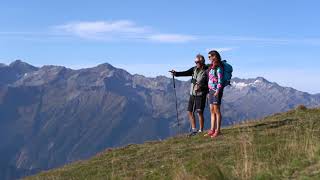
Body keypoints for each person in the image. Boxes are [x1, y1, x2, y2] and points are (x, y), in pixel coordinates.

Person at [170, 54, 208, 136]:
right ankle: (194, 129)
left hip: (201, 94)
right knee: (190, 111)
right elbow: (186, 72)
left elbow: (208, 84)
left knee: (199, 112)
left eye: (197, 62)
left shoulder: (206, 70)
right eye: (195, 62)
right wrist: (176, 73)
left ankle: (201, 130)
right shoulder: (194, 69)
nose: (196, 63)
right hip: (193, 94)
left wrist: (201, 87)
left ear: (202, 61)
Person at [206, 50, 224, 138]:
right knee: (212, 110)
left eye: (209, 57)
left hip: (216, 91)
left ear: (214, 57)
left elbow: (220, 80)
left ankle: (218, 130)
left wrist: (217, 91)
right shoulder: (211, 67)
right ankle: (212, 129)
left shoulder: (218, 68)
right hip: (210, 90)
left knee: (217, 111)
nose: (208, 58)